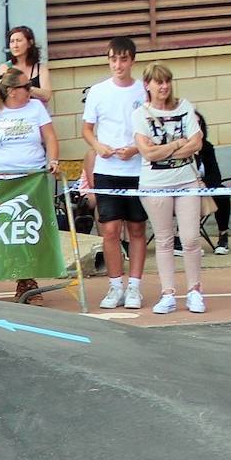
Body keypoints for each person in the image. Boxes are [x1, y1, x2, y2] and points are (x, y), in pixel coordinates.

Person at [0, 67, 58, 303]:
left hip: (32, 178)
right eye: (26, 87)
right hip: (4, 179)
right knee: (12, 233)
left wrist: (53, 160)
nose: (31, 90)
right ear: (10, 91)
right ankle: (24, 280)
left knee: (32, 230)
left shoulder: (36, 108)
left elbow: (49, 136)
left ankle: (28, 279)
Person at [130, 62, 205, 315]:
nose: (164, 86)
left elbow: (196, 143)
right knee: (163, 239)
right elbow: (148, 153)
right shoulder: (140, 114)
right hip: (155, 184)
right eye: (158, 82)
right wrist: (176, 145)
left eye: (167, 81)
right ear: (147, 86)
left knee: (191, 238)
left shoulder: (185, 107)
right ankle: (168, 293)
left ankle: (195, 290)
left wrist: (168, 148)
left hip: (186, 180)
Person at [82, 36, 147, 311]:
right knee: (109, 230)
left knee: (136, 228)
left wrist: (135, 149)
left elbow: (152, 128)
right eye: (113, 59)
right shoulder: (97, 91)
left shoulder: (144, 90)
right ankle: (115, 284)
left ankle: (135, 286)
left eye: (123, 59)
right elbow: (87, 129)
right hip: (107, 169)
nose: (118, 65)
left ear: (132, 60)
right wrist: (99, 146)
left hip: (137, 169)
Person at [195, 112, 230, 256]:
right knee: (189, 199)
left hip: (205, 187)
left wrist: (204, 184)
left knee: (222, 193)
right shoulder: (179, 148)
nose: (196, 128)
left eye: (199, 124)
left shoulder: (207, 147)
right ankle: (184, 239)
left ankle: (223, 236)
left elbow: (216, 175)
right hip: (185, 188)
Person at [0, 26, 51, 107]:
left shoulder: (41, 68)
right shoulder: (5, 67)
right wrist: (31, 89)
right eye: (12, 41)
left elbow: (47, 95)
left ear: (29, 43)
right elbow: (7, 93)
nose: (15, 45)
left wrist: (23, 88)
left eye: (18, 41)